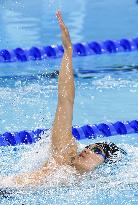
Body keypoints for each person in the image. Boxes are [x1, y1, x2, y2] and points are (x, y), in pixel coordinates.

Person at [0, 10, 126, 189]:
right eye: (90, 147)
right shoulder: (64, 158)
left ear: (104, 165)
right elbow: (65, 101)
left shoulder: (93, 184)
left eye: (97, 151)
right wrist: (68, 51)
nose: (88, 150)